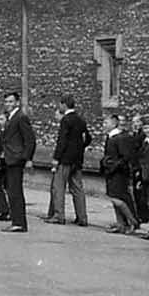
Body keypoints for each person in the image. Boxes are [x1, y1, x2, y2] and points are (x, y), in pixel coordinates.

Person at [46, 95, 90, 226]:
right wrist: (79, 148)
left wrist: (56, 158)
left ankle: (59, 215)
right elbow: (88, 138)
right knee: (77, 189)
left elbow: (62, 140)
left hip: (65, 159)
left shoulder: (66, 120)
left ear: (64, 105)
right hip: (77, 159)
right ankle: (82, 217)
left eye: (60, 104)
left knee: (58, 187)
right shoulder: (81, 120)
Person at [0, 92, 35, 233]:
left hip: (16, 159)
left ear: (17, 102)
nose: (8, 104)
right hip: (9, 158)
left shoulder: (21, 117)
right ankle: (16, 220)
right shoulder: (10, 118)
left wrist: (28, 158)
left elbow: (29, 139)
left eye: (11, 102)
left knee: (15, 191)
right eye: (6, 101)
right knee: (11, 191)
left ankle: (19, 222)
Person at [101, 113, 142, 234]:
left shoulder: (121, 138)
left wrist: (113, 166)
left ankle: (133, 221)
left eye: (106, 123)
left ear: (114, 124)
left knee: (118, 198)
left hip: (119, 173)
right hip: (111, 172)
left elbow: (125, 157)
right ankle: (121, 224)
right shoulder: (110, 137)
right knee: (113, 197)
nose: (104, 125)